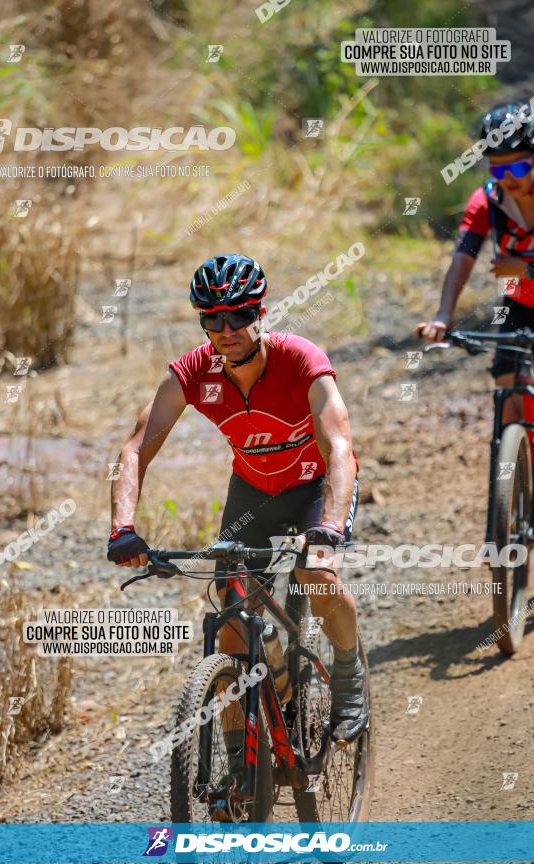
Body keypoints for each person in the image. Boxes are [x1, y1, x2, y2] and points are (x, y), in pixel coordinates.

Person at [107, 253, 367, 742]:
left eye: (240, 316)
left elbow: (339, 446)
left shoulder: (301, 361)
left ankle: (349, 675)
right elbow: (136, 448)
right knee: (232, 619)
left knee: (314, 570)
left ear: (261, 313)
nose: (227, 330)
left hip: (316, 485)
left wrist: (330, 526)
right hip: (254, 492)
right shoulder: (192, 373)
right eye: (212, 318)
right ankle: (237, 765)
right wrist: (123, 527)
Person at [416, 100, 534, 424]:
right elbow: (462, 259)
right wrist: (443, 315)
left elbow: (522, 269)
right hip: (522, 309)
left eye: (518, 168)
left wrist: (526, 270)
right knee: (508, 387)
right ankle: (517, 462)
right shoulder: (486, 202)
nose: (509, 177)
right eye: (498, 168)